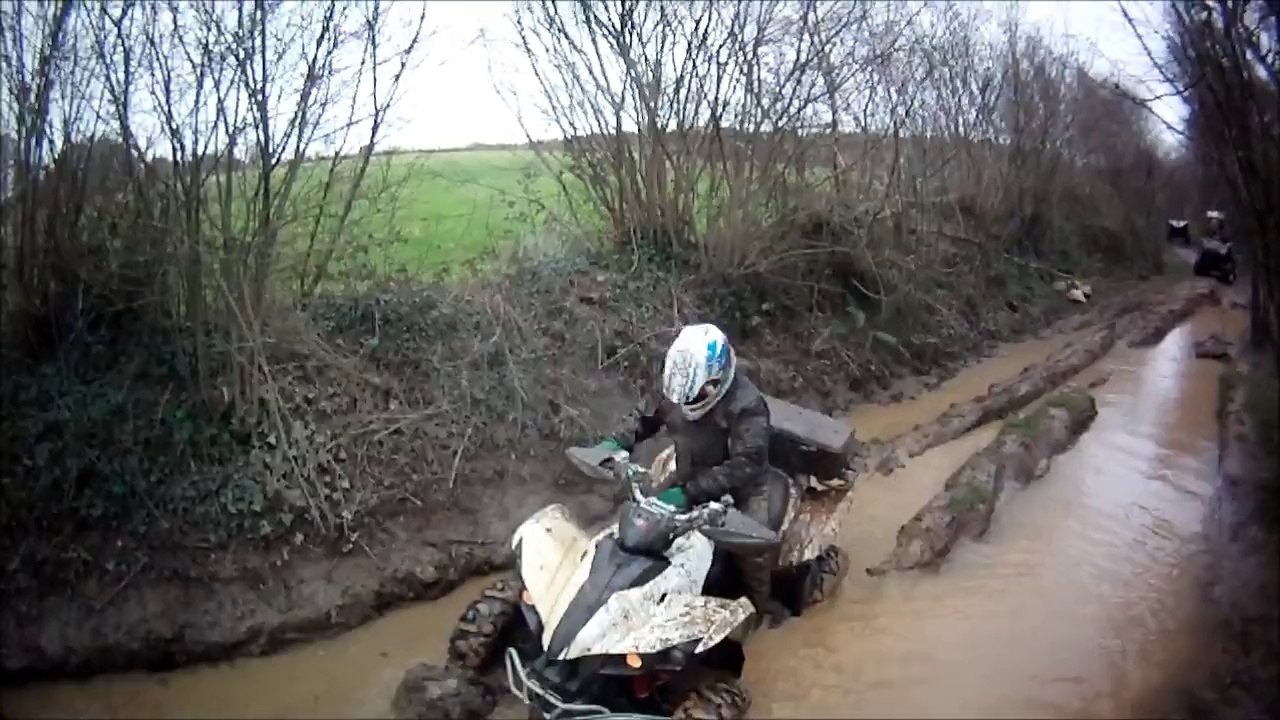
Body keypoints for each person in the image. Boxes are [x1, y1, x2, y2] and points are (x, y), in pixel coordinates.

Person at [599, 323, 791, 628]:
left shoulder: (747, 406)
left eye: (698, 394)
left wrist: (688, 493)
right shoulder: (679, 389)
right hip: (692, 474)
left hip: (746, 488)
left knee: (751, 553)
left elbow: (747, 464)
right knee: (645, 521)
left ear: (716, 379)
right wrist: (617, 442)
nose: (688, 402)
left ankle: (760, 609)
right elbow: (645, 417)